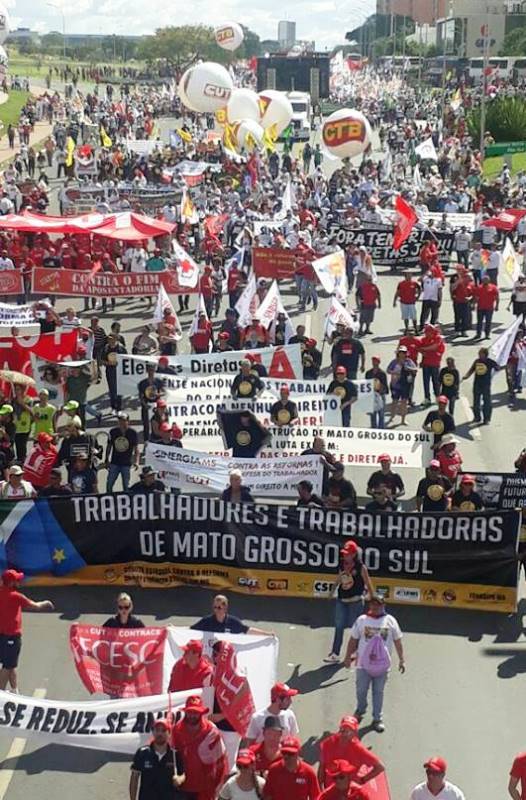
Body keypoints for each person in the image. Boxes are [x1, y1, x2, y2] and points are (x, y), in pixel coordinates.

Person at [344, 594, 405, 732]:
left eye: (378, 604)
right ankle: (360, 710)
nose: (375, 607)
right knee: (361, 690)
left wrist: (402, 659)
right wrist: (347, 656)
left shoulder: (390, 621)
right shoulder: (362, 620)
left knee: (378, 692)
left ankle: (377, 718)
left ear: (383, 606)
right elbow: (353, 640)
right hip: (363, 665)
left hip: (382, 667)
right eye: (373, 604)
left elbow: (397, 640)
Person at [0, 569, 54, 691]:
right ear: (12, 583)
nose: (20, 581)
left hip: (2, 636)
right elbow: (36, 605)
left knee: (10, 665)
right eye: (17, 580)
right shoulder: (16, 596)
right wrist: (46, 603)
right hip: (11, 637)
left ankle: (15, 691)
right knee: (7, 667)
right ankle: (1, 694)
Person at [324, 540, 373, 664]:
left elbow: (368, 583)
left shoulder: (361, 567)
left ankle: (356, 652)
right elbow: (339, 578)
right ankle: (335, 654)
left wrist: (372, 597)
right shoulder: (342, 564)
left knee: (356, 628)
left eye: (348, 554)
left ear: (354, 554)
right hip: (342, 600)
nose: (345, 556)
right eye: (344, 553)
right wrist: (332, 590)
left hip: (356, 602)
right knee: (338, 626)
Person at [171, 695, 228, 800]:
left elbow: (222, 761)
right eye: (190, 712)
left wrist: (217, 788)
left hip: (205, 789)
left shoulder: (211, 731)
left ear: (201, 713)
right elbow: (170, 756)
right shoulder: (176, 730)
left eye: (196, 712)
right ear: (185, 712)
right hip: (182, 788)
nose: (192, 715)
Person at [318, 716, 385, 789]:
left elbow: (380, 767)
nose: (345, 734)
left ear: (354, 733)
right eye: (343, 730)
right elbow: (321, 767)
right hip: (329, 788)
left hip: (348, 790)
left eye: (349, 731)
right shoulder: (328, 744)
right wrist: (319, 789)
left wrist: (363, 780)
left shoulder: (359, 750)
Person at [130, 719, 186, 800]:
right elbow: (134, 778)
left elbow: (183, 774)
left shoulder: (175, 754)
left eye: (163, 730)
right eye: (157, 730)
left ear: (169, 733)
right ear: (153, 732)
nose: (160, 733)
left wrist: (179, 779)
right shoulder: (142, 753)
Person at [263, 736, 320, 800]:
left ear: (298, 753)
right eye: (284, 752)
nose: (287, 756)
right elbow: (267, 795)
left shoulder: (309, 772)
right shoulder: (273, 770)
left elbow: (316, 797)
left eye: (290, 753)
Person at [191, 595, 273, 635]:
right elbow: (190, 630)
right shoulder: (206, 621)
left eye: (219, 607)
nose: (216, 610)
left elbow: (248, 630)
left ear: (225, 607)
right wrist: (177, 629)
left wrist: (266, 633)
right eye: (215, 607)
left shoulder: (233, 622)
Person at [462, 347, 499, 425]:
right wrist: (466, 376)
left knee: (487, 402)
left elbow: (497, 367)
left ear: (485, 354)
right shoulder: (477, 361)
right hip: (477, 384)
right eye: (479, 354)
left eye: (481, 354)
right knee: (476, 402)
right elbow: (471, 370)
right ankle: (477, 417)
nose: (479, 355)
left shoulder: (490, 362)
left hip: (486, 385)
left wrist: (498, 367)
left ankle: (486, 419)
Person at [105, 412, 139, 492]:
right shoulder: (113, 432)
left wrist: (137, 461)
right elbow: (109, 446)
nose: (121, 422)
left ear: (128, 421)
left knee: (126, 486)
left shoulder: (132, 433)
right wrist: (106, 459)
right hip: (114, 462)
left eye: (123, 420)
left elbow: (136, 448)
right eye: (120, 420)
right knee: (109, 483)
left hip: (126, 464)